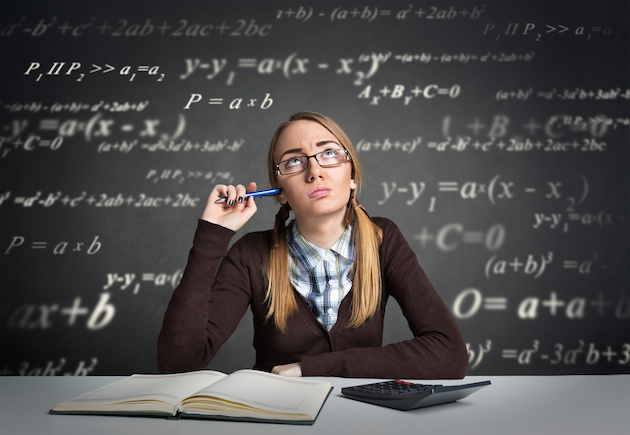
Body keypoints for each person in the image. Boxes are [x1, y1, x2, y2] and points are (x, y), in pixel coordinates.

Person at [157, 111, 468, 378]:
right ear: (280, 191)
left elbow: (449, 353)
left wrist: (313, 368)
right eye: (294, 161)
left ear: (352, 176)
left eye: (329, 153)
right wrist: (213, 234)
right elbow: (178, 363)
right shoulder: (250, 254)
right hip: (276, 419)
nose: (315, 171)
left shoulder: (382, 239)